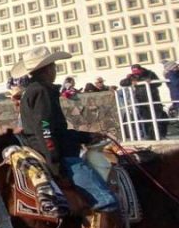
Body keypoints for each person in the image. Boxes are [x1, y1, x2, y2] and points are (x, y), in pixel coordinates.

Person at [16, 46, 117, 213]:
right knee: (107, 201)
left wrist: (86, 136)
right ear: (48, 69)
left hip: (49, 149)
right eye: (54, 66)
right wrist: (55, 163)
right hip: (61, 156)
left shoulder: (34, 91)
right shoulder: (41, 91)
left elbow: (51, 128)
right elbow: (45, 129)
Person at [119, 63, 168, 139]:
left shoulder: (150, 73)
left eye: (137, 72)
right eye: (134, 72)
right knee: (146, 119)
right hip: (141, 100)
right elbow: (122, 83)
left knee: (158, 117)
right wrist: (130, 82)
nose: (136, 74)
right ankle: (149, 136)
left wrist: (150, 81)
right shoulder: (132, 76)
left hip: (153, 98)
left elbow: (159, 83)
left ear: (141, 69)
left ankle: (161, 135)